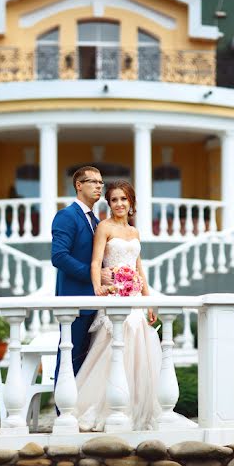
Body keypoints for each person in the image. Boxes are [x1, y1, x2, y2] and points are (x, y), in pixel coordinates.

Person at [73, 180, 161, 431]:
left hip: (133, 297)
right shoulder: (104, 227)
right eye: (114, 200)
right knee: (121, 338)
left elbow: (138, 268)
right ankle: (106, 406)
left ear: (131, 202)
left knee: (139, 339)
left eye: (124, 199)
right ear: (109, 203)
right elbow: (96, 262)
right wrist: (98, 288)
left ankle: (134, 406)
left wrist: (148, 300)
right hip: (112, 295)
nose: (119, 204)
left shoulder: (134, 232)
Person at [51, 166, 113, 389]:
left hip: (95, 301)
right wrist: (94, 274)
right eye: (93, 182)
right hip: (74, 301)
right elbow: (59, 257)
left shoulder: (95, 221)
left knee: (88, 362)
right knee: (70, 357)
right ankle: (63, 414)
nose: (99, 186)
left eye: (101, 182)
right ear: (79, 185)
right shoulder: (67, 216)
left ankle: (80, 409)